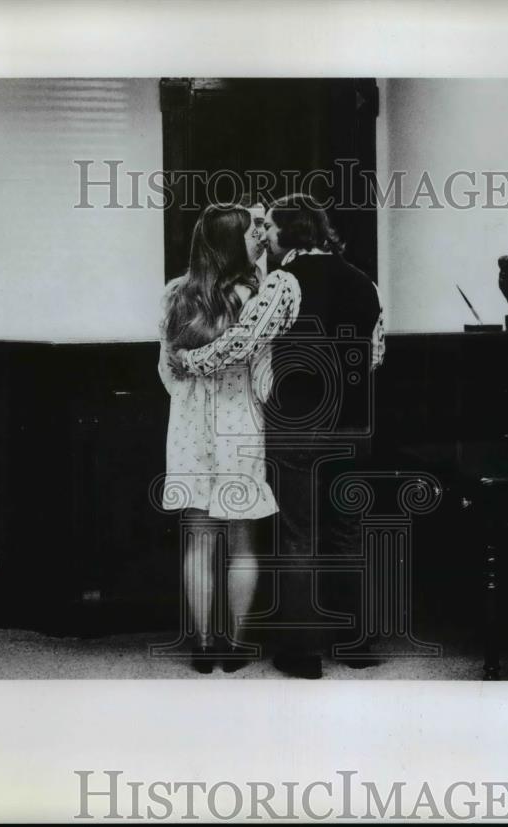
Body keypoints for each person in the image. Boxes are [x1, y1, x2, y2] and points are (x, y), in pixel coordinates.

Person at [177, 194, 386, 678]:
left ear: (289, 233)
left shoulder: (284, 283)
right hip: (356, 423)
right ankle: (358, 644)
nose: (262, 234)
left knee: (297, 537)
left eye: (268, 225)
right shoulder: (365, 282)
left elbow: (241, 343)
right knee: (347, 529)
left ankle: (302, 652)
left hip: (301, 424)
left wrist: (189, 360)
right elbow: (375, 353)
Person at [158, 203, 300, 673]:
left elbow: (167, 372)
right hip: (240, 424)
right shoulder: (257, 296)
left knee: (198, 540)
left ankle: (201, 646)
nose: (260, 234)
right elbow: (265, 378)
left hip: (188, 428)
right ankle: (234, 646)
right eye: (252, 229)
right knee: (242, 542)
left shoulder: (175, 293)